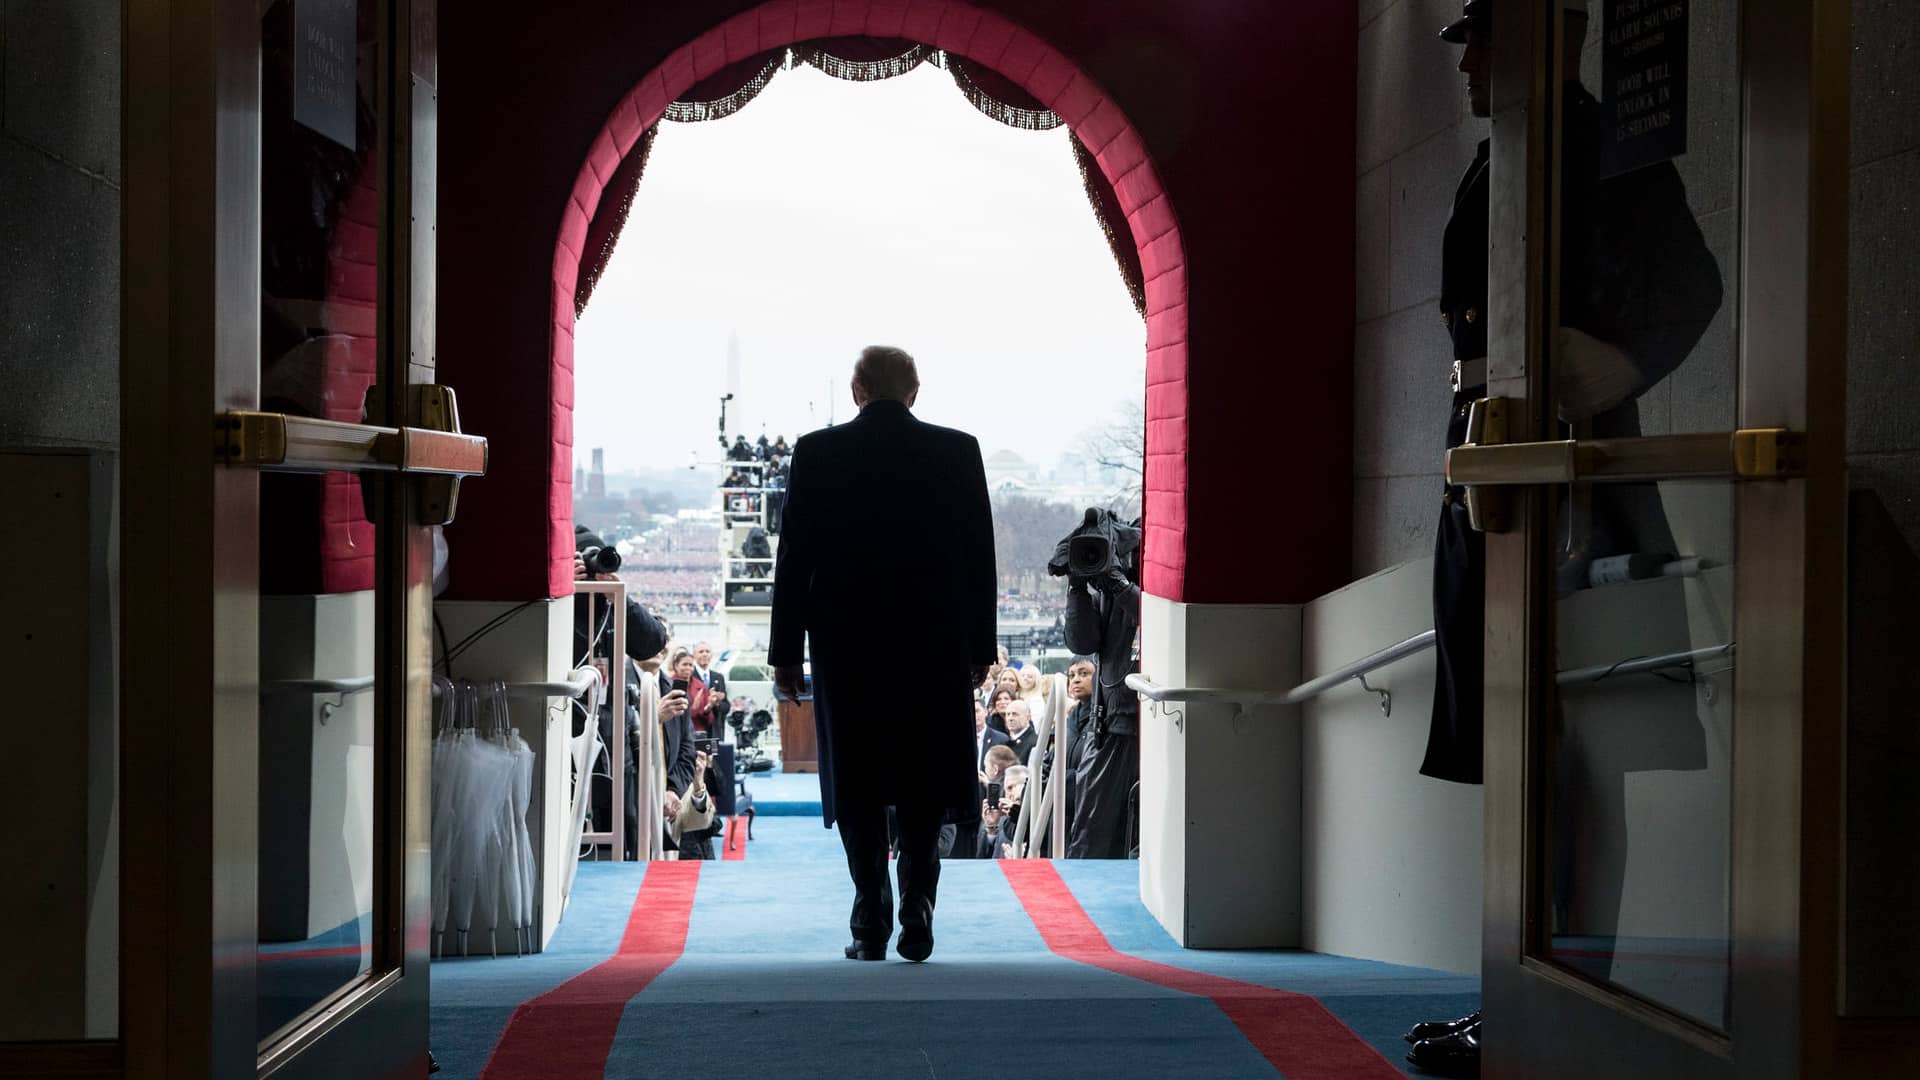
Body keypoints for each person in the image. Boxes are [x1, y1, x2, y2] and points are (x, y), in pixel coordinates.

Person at [1410, 2, 1722, 1073]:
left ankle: (1566, 999)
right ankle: (1519, 987)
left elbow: (1690, 284)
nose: (1470, 63)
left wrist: (1613, 366)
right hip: (1499, 477)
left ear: (1553, 41)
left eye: (1485, 40)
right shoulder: (1510, 158)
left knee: (1576, 769)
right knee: (1526, 761)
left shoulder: (1590, 150)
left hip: (1568, 485)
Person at [770, 345, 996, 964]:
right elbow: (980, 558)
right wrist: (980, 646)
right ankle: (918, 908)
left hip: (848, 646)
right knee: (926, 778)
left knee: (859, 778)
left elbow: (795, 561)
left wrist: (786, 653)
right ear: (915, 392)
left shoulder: (817, 452)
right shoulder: (958, 450)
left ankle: (870, 913)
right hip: (934, 644)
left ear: (856, 390)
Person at [1062, 512, 1143, 859]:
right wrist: (1077, 587)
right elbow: (1082, 642)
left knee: (1122, 836)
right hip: (1107, 722)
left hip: (1135, 719)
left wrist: (1119, 586)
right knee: (1089, 836)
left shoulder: (1140, 583)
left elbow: (1161, 620)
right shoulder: (1109, 584)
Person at [1002, 699, 1038, 767]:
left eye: (1015, 714)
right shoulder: (1005, 741)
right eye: (1008, 714)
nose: (1010, 718)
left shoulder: (1034, 743)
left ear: (1028, 717)